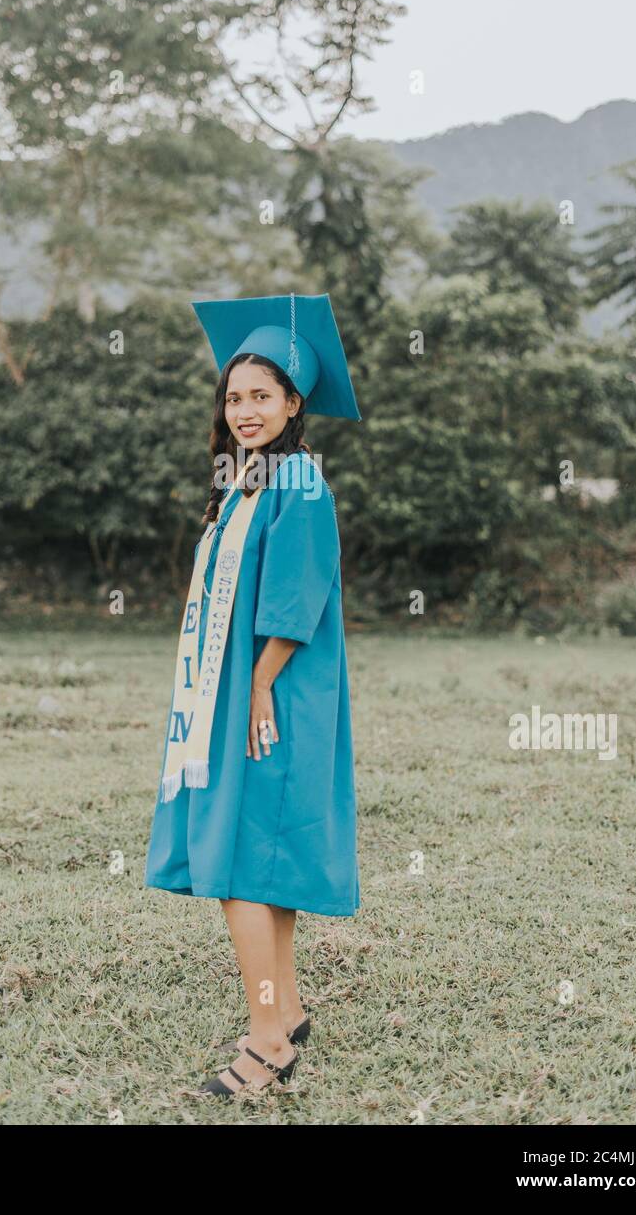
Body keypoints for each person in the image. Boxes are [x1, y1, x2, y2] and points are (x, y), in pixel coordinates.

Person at [143, 291, 361, 1098]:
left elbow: (298, 599)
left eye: (261, 395)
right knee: (258, 857)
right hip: (240, 691)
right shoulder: (246, 482)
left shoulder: (299, 481)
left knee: (239, 862)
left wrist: (259, 686)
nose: (244, 409)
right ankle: (289, 1008)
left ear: (295, 404)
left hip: (271, 694)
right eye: (234, 396)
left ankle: (268, 1041)